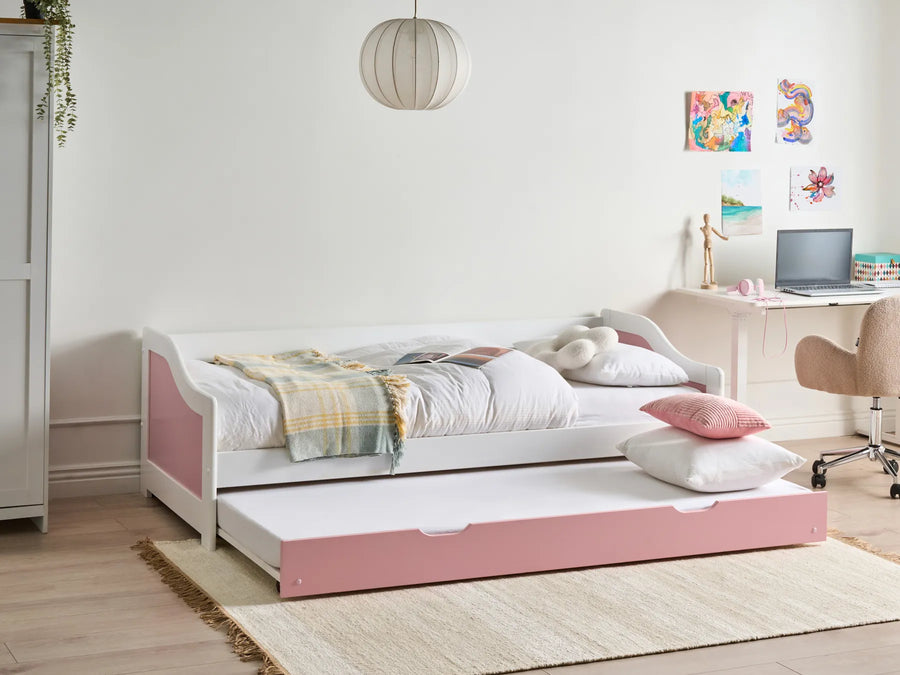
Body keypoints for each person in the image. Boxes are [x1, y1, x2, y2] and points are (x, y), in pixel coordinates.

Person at [700, 213, 728, 289]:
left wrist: (724, 238)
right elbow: (705, 233)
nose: (707, 219)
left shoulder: (711, 227)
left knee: (712, 263)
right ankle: (705, 280)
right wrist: (702, 230)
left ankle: (712, 280)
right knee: (706, 262)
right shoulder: (703, 228)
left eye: (708, 218)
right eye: (705, 218)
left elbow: (719, 234)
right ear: (704, 219)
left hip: (710, 243)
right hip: (706, 243)